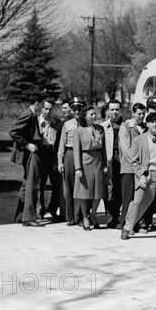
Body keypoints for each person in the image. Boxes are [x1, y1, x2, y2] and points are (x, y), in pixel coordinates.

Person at [121, 112, 156, 240]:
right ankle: (127, 228)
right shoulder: (138, 140)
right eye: (153, 122)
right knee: (138, 202)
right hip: (147, 175)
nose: (155, 124)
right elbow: (133, 161)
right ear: (147, 124)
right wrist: (141, 176)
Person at [9, 93, 45, 227]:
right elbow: (13, 131)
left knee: (25, 184)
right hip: (29, 154)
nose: (42, 107)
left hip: (31, 153)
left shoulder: (33, 115)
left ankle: (20, 216)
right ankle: (27, 217)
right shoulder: (28, 114)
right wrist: (27, 144)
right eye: (41, 104)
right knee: (30, 184)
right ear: (37, 103)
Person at [73, 105, 107, 231]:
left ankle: (93, 215)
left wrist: (105, 164)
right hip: (85, 161)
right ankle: (85, 217)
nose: (94, 116)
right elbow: (76, 150)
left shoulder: (100, 129)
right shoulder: (79, 130)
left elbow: (104, 149)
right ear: (84, 116)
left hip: (98, 161)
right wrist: (78, 168)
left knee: (98, 191)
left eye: (94, 114)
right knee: (84, 191)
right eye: (91, 114)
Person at [58, 97, 86, 226]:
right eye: (74, 109)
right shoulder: (67, 124)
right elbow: (62, 145)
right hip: (70, 154)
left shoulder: (86, 124)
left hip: (83, 155)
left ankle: (81, 216)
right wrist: (60, 161)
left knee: (81, 186)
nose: (76, 112)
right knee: (68, 187)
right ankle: (71, 217)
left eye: (79, 109)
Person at [118, 102, 146, 230]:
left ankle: (136, 222)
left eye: (143, 114)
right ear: (133, 113)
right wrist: (136, 163)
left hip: (141, 168)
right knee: (128, 197)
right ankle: (124, 223)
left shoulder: (145, 128)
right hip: (129, 167)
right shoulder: (126, 127)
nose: (141, 116)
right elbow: (126, 149)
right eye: (139, 114)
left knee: (139, 197)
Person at [37, 98, 63, 222]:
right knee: (40, 184)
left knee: (56, 183)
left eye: (50, 109)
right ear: (41, 108)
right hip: (41, 152)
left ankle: (53, 208)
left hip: (53, 153)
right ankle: (40, 210)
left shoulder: (56, 122)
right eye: (45, 108)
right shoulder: (36, 121)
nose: (47, 111)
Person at [100, 99, 123, 228]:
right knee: (108, 188)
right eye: (112, 109)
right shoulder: (102, 127)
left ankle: (117, 215)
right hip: (108, 160)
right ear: (107, 111)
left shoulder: (126, 126)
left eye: (117, 109)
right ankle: (110, 215)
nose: (114, 112)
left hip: (121, 159)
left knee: (119, 188)